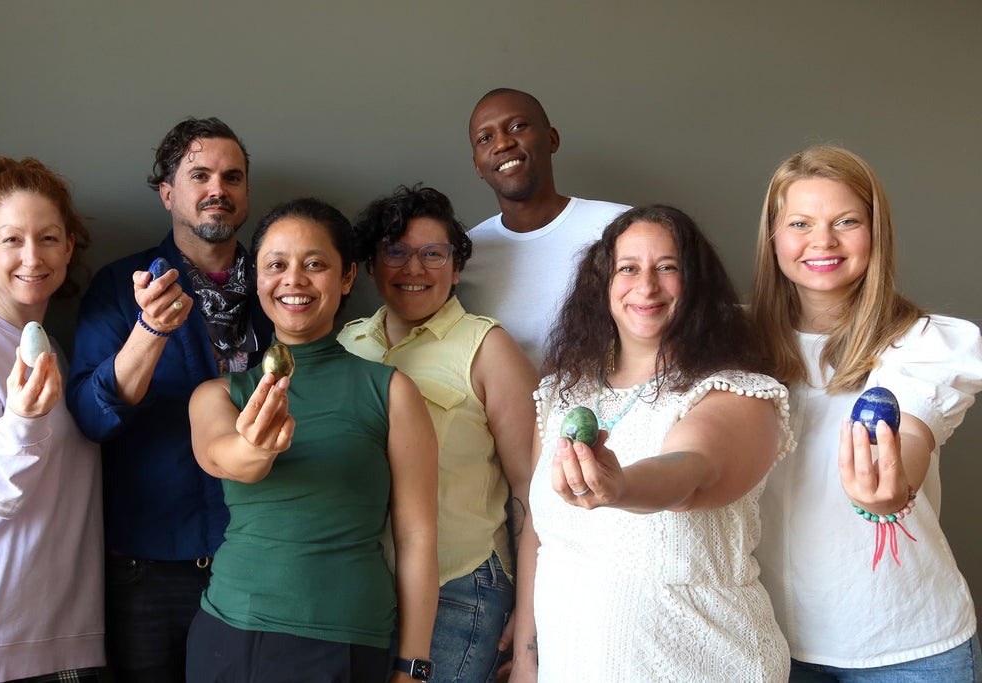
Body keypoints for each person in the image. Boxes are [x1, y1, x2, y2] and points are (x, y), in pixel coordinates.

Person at [514, 205, 793, 682]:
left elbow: (690, 468)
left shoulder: (736, 392)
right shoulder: (565, 393)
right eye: (629, 269)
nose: (646, 286)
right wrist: (527, 659)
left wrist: (620, 486)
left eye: (668, 267)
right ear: (602, 285)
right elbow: (540, 537)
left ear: (697, 283)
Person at [750, 145, 982, 681]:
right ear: (774, 237)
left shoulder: (925, 343)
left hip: (907, 649)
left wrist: (892, 488)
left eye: (846, 221)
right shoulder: (734, 344)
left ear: (876, 232)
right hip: (768, 643)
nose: (822, 241)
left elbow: (914, 430)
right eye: (800, 223)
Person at [186, 198, 439, 682]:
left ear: (346, 279)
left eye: (315, 264)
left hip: (344, 640)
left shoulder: (390, 392)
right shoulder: (218, 394)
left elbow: (416, 538)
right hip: (227, 635)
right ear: (256, 279)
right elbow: (232, 460)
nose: (294, 280)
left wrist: (413, 666)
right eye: (275, 265)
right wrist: (256, 445)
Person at [67, 117, 273, 682]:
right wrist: (149, 332)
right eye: (199, 175)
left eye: (233, 178)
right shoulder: (119, 286)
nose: (218, 190)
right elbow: (90, 417)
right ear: (167, 194)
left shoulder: (279, 286)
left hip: (261, 556)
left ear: (247, 193)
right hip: (149, 568)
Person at [338, 185, 538, 682]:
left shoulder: (487, 348)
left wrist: (531, 619)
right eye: (396, 253)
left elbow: (533, 490)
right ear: (369, 266)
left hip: (460, 589)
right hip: (357, 592)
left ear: (457, 266)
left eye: (433, 254)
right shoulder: (345, 343)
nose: (414, 269)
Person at [0, 154, 104, 681]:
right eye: (11, 239)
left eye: (47, 238)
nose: (31, 256)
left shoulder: (65, 355)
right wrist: (21, 417)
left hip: (74, 640)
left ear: (68, 247)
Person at [460, 88, 630, 367]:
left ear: (552, 139)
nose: (502, 144)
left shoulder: (620, 227)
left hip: (612, 408)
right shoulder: (464, 255)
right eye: (485, 138)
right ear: (477, 165)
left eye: (517, 126)